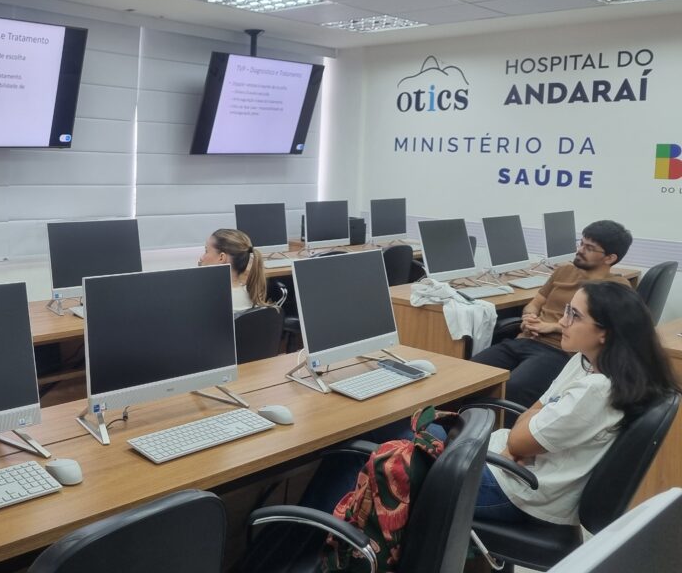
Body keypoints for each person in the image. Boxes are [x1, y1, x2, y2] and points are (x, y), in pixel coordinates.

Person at [308, 281, 678, 531]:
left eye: (574, 316)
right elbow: (535, 411)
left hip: (516, 494)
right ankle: (327, 530)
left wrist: (521, 439)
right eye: (566, 310)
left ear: (605, 332)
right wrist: (526, 434)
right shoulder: (586, 361)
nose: (561, 321)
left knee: (366, 450)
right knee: (410, 430)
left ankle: (309, 540)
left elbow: (519, 440)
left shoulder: (597, 390)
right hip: (511, 468)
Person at [471, 219, 633, 406]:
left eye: (589, 248)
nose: (580, 250)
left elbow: (603, 331)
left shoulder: (616, 288)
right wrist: (529, 317)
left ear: (610, 258)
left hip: (559, 351)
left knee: (514, 388)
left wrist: (552, 327)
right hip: (525, 339)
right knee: (470, 372)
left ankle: (502, 424)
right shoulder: (564, 271)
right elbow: (535, 303)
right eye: (581, 243)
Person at [198, 228, 269, 311]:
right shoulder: (252, 297)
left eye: (206, 251)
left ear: (221, 258)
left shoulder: (207, 302)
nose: (201, 258)